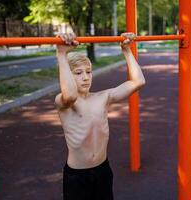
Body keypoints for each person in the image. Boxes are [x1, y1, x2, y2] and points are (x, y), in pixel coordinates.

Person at [55, 31, 145, 200]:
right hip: (77, 176)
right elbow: (70, 95)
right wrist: (61, 54)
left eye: (88, 72)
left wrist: (126, 50)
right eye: (78, 73)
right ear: (68, 74)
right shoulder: (64, 103)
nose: (85, 77)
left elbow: (138, 81)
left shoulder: (102, 97)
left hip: (103, 170)